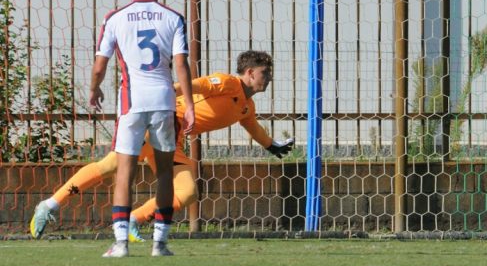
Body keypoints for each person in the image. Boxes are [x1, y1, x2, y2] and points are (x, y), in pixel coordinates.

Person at [29, 50, 293, 242]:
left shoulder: (247, 107)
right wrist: (160, 101)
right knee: (112, 165)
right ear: (250, 73)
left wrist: (272, 146)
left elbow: (254, 128)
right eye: (265, 73)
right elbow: (192, 85)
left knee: (187, 192)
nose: (268, 78)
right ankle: (49, 205)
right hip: (159, 123)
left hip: (173, 141)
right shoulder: (226, 82)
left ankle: (132, 220)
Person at [88, 0, 194, 257]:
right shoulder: (173, 18)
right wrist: (189, 105)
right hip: (163, 102)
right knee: (165, 173)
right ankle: (160, 244)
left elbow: (100, 65)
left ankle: (121, 243)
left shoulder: (115, 18)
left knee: (125, 172)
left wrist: (94, 88)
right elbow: (182, 65)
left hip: (131, 103)